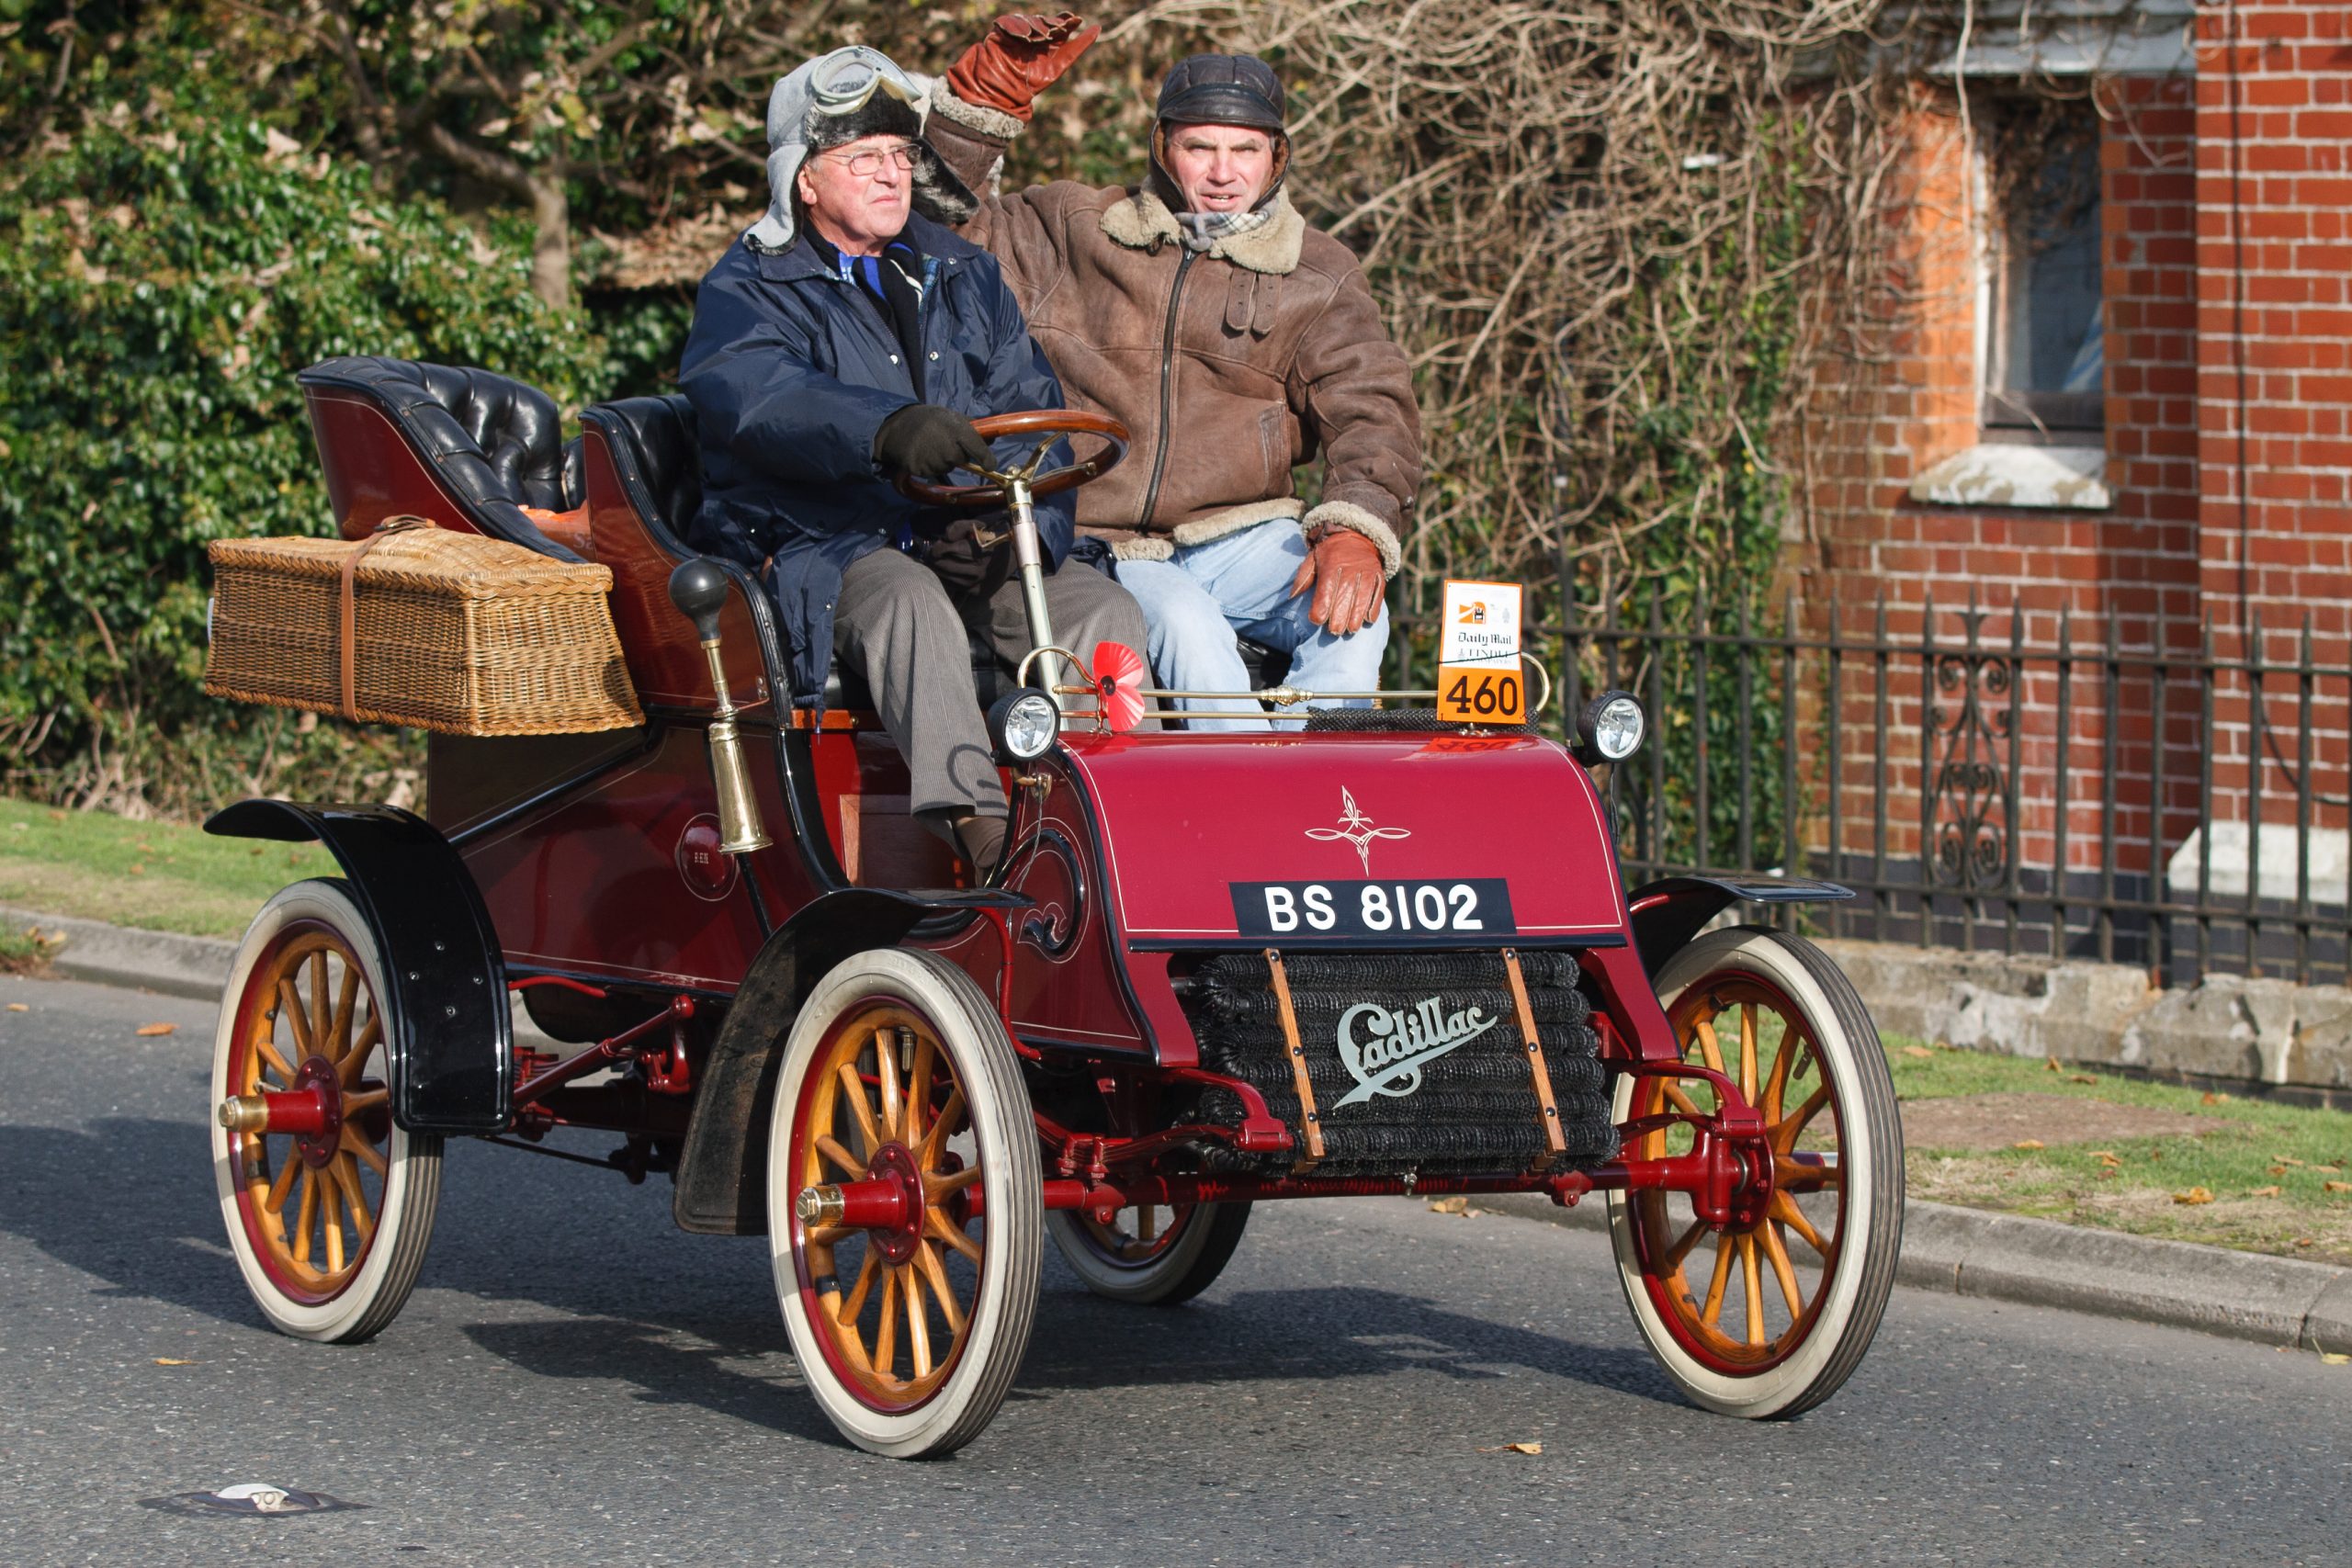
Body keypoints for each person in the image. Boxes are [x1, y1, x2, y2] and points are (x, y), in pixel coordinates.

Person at [680, 44, 1148, 874]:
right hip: (827, 545)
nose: (891, 175)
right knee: (910, 601)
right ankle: (985, 832)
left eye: (900, 155)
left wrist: (1024, 533)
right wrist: (887, 428)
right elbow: (758, 398)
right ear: (805, 179)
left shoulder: (963, 270)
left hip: (969, 537)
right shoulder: (747, 286)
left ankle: (1112, 833)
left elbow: (1034, 413)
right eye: (863, 158)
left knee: (1097, 607)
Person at [924, 20, 1422, 728]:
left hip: (1247, 532)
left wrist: (1359, 527)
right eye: (1201, 148)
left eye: (1246, 150)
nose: (1224, 173)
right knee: (1191, 632)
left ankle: (1321, 800)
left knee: (1355, 617)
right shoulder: (1075, 227)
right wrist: (977, 114)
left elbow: (1375, 409)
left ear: (1276, 158)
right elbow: (945, 229)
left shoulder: (1320, 272)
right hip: (1111, 539)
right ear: (1163, 148)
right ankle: (1241, 821)